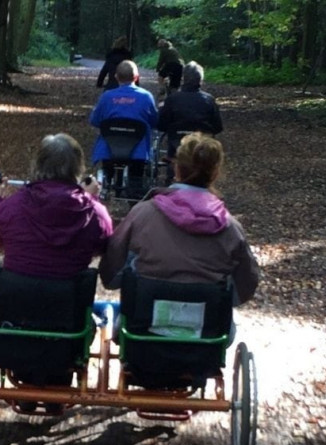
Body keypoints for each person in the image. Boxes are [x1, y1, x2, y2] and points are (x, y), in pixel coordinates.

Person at [0, 133, 113, 411]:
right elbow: (105, 244)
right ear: (78, 169)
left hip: (14, 318)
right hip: (67, 321)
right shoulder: (91, 212)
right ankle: (58, 379)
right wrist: (92, 199)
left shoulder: (13, 206)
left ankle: (25, 378)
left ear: (37, 166)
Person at [99, 133, 259, 346]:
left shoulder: (143, 214)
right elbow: (245, 287)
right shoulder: (231, 228)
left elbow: (111, 275)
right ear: (215, 173)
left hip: (142, 331)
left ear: (177, 169)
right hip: (205, 337)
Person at [90, 60, 158, 197]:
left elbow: (95, 120)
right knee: (137, 176)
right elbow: (155, 122)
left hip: (109, 149)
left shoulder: (106, 97)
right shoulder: (146, 97)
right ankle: (135, 190)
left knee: (107, 146)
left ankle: (107, 179)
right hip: (137, 151)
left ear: (116, 77)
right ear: (137, 77)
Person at [157, 60, 223, 184]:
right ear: (201, 80)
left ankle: (171, 178)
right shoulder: (209, 100)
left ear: (183, 78)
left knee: (173, 143)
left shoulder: (173, 99)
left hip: (177, 143)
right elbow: (217, 127)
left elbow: (161, 125)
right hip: (202, 147)